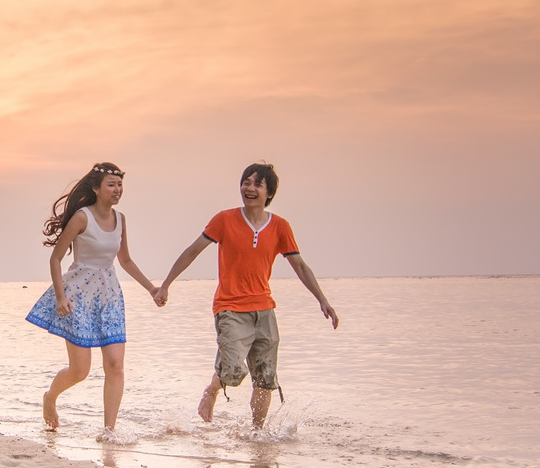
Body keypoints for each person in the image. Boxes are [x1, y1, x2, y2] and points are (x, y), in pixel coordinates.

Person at [154, 162, 338, 428]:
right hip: (230, 308)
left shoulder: (280, 227)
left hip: (264, 310)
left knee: (265, 379)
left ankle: (257, 434)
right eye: (246, 183)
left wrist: (323, 300)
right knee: (232, 370)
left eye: (257, 184)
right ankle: (212, 390)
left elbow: (299, 265)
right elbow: (193, 251)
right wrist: (166, 285)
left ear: (269, 193)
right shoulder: (224, 220)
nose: (249, 188)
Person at [24, 162, 160, 432]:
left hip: (109, 297)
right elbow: (56, 259)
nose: (117, 189)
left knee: (116, 365)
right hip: (78, 297)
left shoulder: (121, 219)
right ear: (97, 188)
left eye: (120, 185)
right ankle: (50, 397)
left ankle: (109, 432)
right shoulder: (82, 218)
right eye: (111, 185)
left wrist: (151, 289)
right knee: (80, 371)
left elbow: (125, 260)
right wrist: (60, 297)